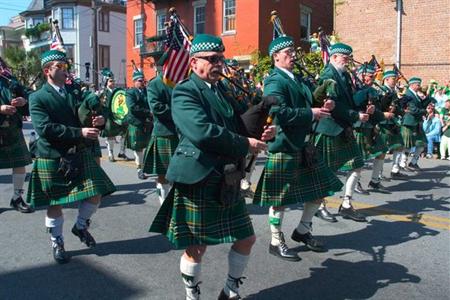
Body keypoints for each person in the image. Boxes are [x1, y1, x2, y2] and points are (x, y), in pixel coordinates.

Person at [149, 34, 274, 300]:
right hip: (199, 175)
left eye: (222, 58)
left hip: (226, 175)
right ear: (193, 62)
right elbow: (202, 132)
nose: (219, 63)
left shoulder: (223, 89)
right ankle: (192, 295)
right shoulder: (184, 91)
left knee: (246, 238)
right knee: (197, 246)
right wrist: (244, 143)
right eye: (213, 59)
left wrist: (264, 129)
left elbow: (242, 122)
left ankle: (230, 290)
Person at [252, 35, 343, 262]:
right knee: (279, 199)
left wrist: (325, 100)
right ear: (276, 57)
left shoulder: (297, 78)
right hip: (285, 145)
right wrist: (310, 113)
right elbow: (278, 112)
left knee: (320, 190)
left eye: (293, 52)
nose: (293, 56)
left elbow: (311, 97)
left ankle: (302, 230)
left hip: (304, 143)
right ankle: (275, 240)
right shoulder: (274, 81)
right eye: (288, 53)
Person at [27, 50, 116, 264]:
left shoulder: (73, 92)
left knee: (96, 192)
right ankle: (57, 241)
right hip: (52, 156)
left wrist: (99, 121)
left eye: (66, 65)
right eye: (60, 66)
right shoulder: (37, 97)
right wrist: (80, 132)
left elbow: (86, 113)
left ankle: (81, 225)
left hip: (78, 152)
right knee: (55, 203)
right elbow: (45, 128)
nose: (65, 68)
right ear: (47, 71)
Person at [314, 42, 370, 223]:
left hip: (343, 127)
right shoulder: (328, 75)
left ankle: (346, 204)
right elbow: (333, 106)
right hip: (330, 128)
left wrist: (364, 94)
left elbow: (349, 100)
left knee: (357, 164)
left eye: (348, 58)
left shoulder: (344, 75)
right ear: (334, 57)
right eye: (344, 58)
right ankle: (320, 206)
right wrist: (356, 116)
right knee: (327, 170)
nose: (347, 61)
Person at [0, 57, 33, 213]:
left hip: (12, 128)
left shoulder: (9, 78)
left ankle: (17, 198)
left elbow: (29, 94)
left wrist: (23, 101)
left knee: (19, 165)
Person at [143, 70, 178, 204]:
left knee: (181, 174)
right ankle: (164, 204)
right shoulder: (155, 84)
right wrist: (181, 110)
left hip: (184, 134)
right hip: (165, 134)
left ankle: (176, 204)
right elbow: (157, 108)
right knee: (163, 174)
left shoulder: (182, 82)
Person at [378, 70, 407, 179]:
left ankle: (395, 169)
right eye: (393, 79)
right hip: (383, 123)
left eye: (395, 79)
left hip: (393, 123)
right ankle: (378, 174)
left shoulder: (393, 92)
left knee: (399, 145)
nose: (395, 81)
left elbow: (396, 107)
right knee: (382, 149)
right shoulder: (381, 90)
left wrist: (402, 111)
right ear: (386, 79)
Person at [399, 77, 432, 170]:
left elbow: (421, 105)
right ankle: (402, 164)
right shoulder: (408, 94)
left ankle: (413, 162)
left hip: (416, 122)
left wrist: (428, 97)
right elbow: (413, 110)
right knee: (408, 145)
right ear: (412, 85)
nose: (419, 86)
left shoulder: (415, 94)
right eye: (418, 85)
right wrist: (424, 111)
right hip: (409, 122)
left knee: (422, 143)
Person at [99, 69, 132, 162]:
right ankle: (110, 153)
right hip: (109, 117)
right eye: (110, 81)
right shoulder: (103, 93)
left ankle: (122, 152)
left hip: (119, 116)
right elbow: (100, 106)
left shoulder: (118, 92)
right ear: (106, 82)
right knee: (110, 136)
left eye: (113, 80)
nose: (113, 82)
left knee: (124, 133)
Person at [126, 69, 153, 179]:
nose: (142, 82)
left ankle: (146, 166)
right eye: (140, 80)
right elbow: (132, 108)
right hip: (136, 123)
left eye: (143, 80)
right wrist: (148, 112)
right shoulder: (130, 92)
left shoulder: (147, 91)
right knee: (138, 148)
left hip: (147, 122)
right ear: (134, 81)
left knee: (148, 146)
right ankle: (139, 169)